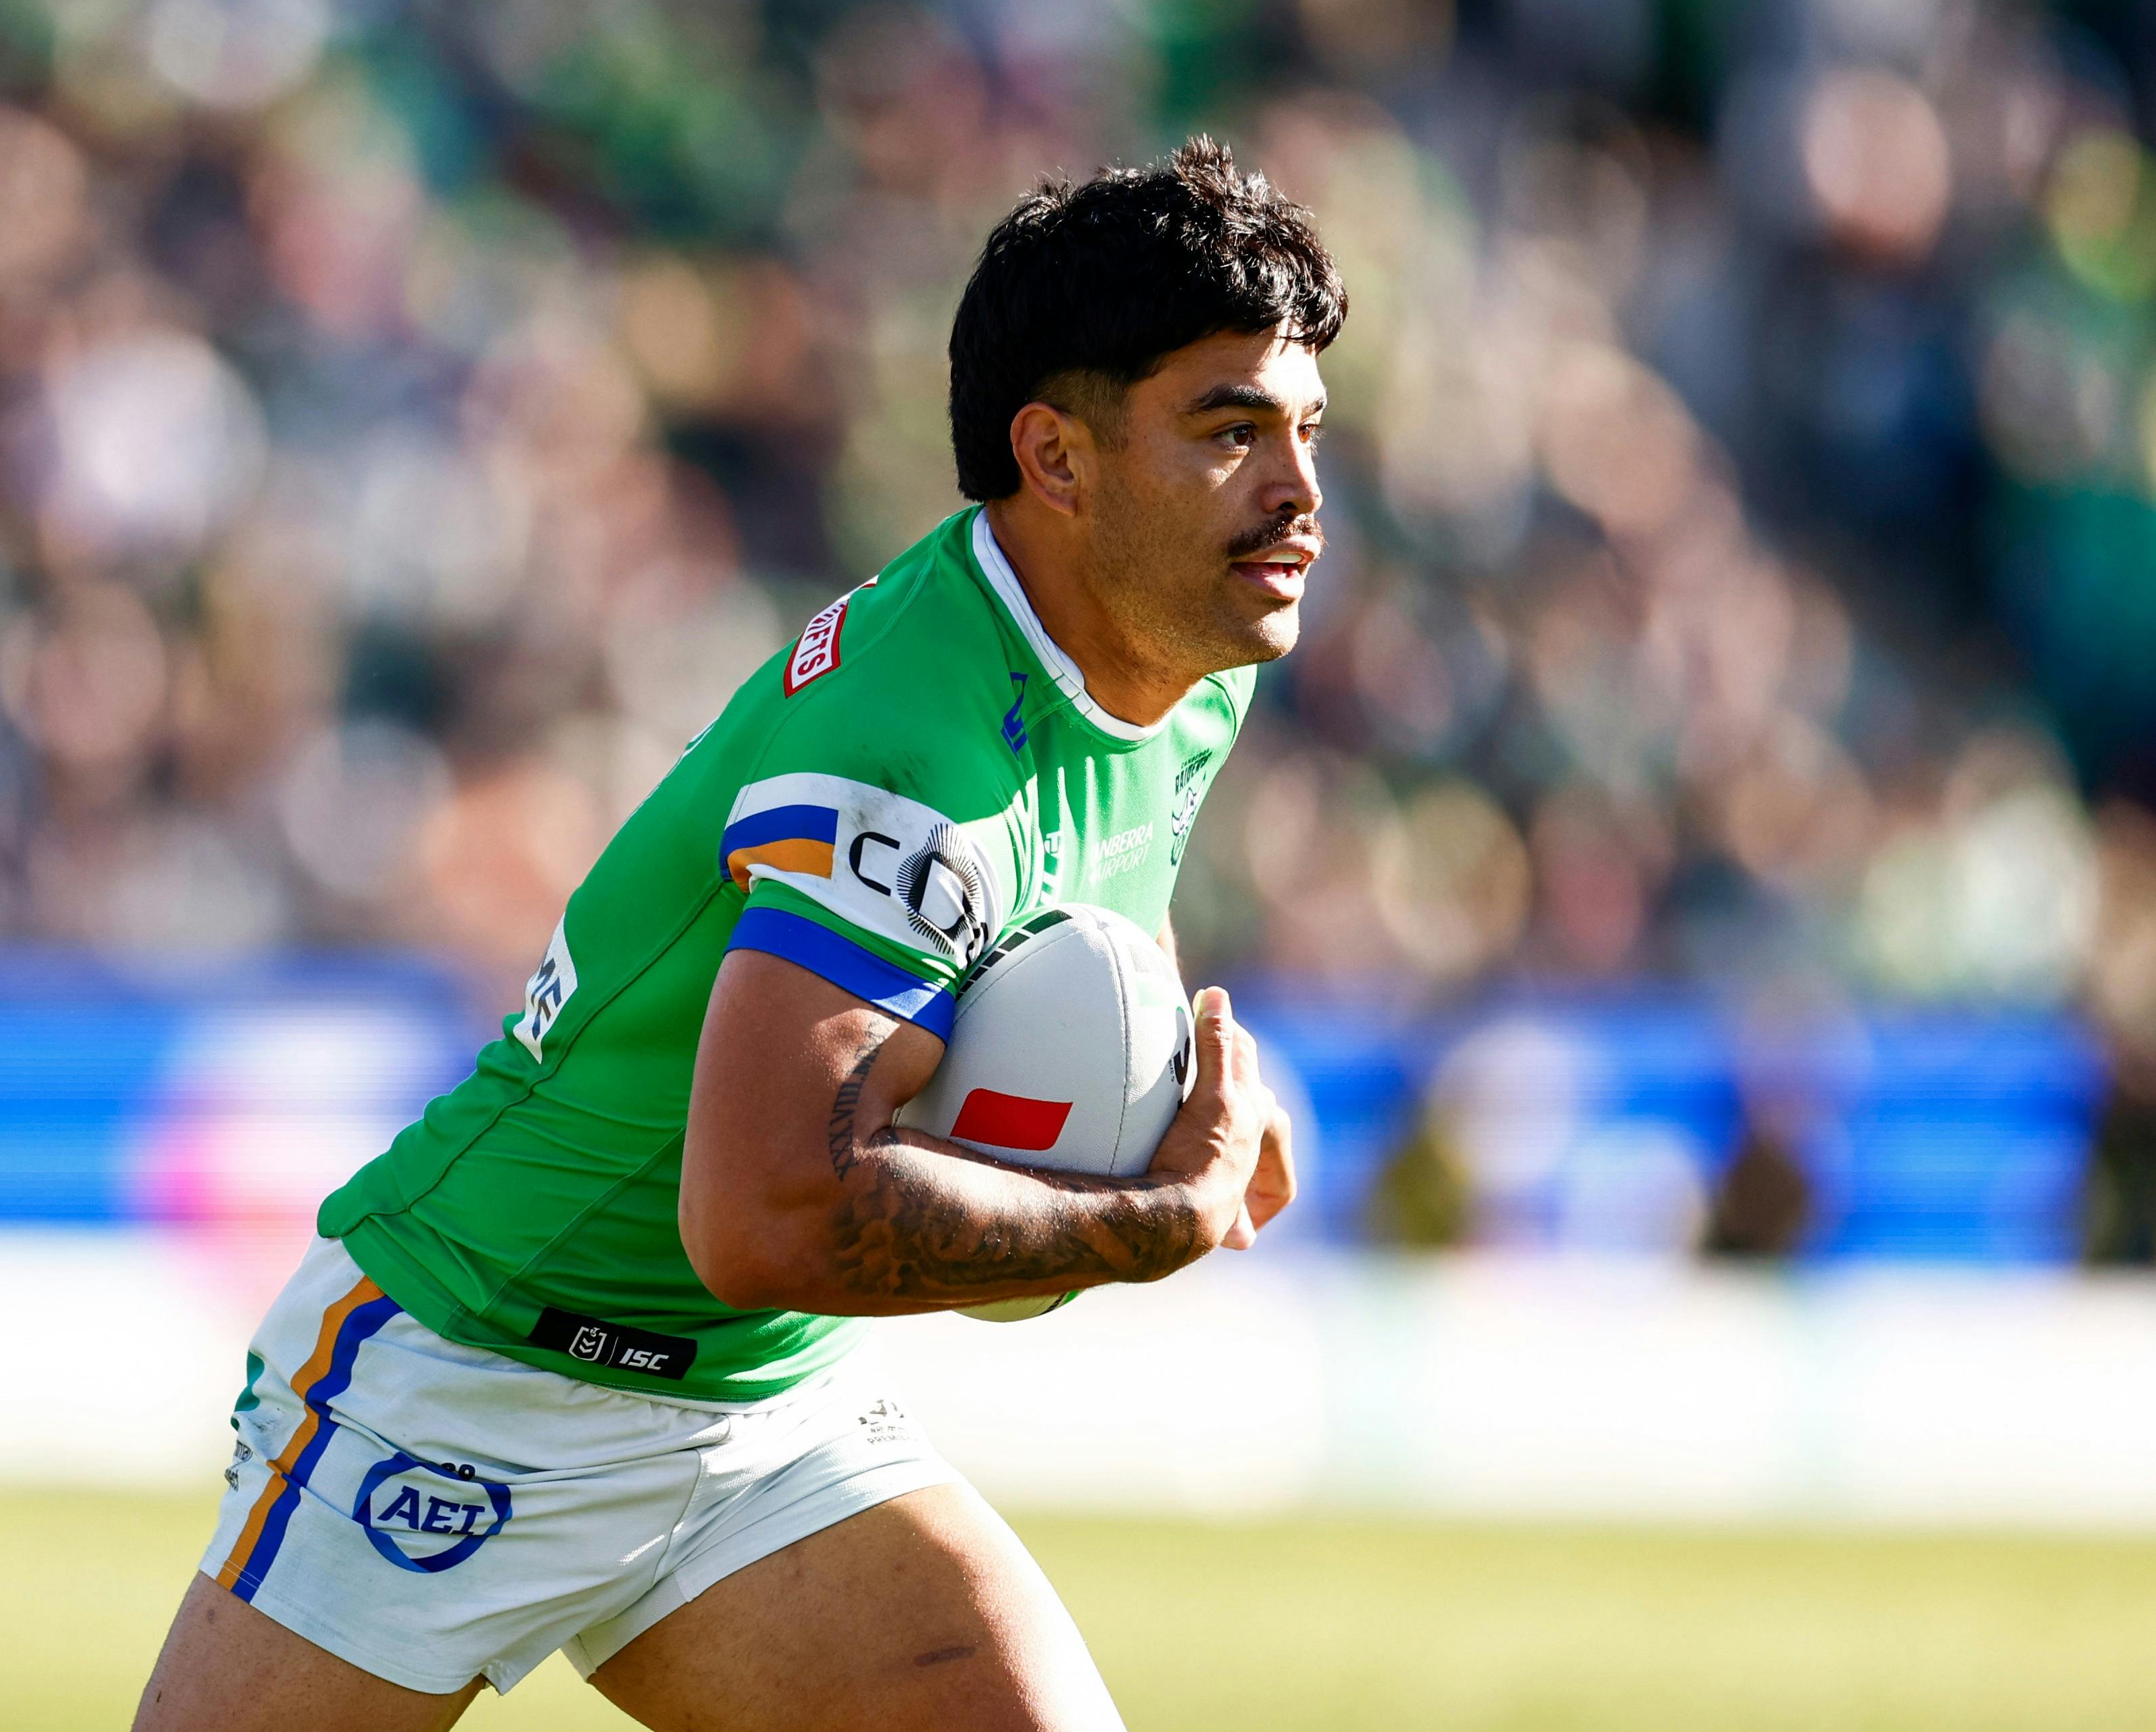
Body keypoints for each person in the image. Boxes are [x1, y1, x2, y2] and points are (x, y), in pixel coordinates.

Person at [133, 136, 1342, 1732]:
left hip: (760, 1410)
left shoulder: (1183, 669)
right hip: (481, 1358)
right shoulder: (906, 751)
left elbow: (1059, 936)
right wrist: (1138, 1218)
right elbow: (764, 1214)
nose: (1297, 491)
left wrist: (1172, 1092)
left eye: (1309, 429)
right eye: (1231, 430)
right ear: (1055, 458)